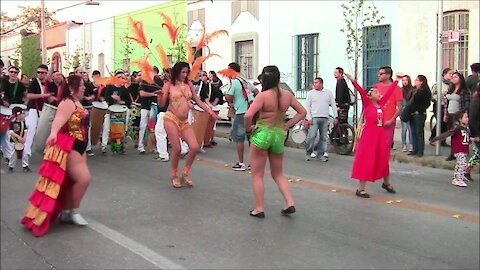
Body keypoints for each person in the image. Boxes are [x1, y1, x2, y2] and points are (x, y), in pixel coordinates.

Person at [21, 74, 91, 237]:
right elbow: (58, 120)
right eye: (81, 85)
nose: (84, 88)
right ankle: (73, 211)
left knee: (72, 180)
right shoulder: (67, 103)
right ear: (74, 87)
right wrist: (53, 133)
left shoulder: (76, 102)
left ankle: (67, 211)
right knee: (83, 178)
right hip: (70, 144)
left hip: (80, 145)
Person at [245, 66, 306, 217]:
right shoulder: (287, 95)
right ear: (278, 79)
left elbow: (248, 115)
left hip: (262, 134)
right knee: (278, 173)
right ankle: (289, 202)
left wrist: (249, 129)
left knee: (257, 174)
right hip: (278, 135)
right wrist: (286, 125)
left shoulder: (263, 96)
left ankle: (259, 208)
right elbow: (302, 112)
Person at [159, 62, 219, 188]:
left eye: (187, 72)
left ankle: (185, 174)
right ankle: (174, 175)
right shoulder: (168, 85)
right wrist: (160, 96)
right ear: (177, 72)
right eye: (182, 72)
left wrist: (210, 111)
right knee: (177, 149)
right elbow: (161, 104)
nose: (185, 75)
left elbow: (198, 101)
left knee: (194, 147)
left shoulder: (188, 84)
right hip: (171, 118)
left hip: (185, 121)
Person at [345, 73, 398, 198]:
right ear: (370, 96)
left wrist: (396, 81)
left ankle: (386, 183)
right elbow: (361, 91)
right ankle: (361, 189)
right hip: (369, 136)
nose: (379, 94)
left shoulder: (381, 103)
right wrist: (353, 80)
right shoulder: (367, 104)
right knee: (367, 160)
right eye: (376, 93)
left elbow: (390, 92)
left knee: (383, 159)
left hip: (380, 135)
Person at [224, 62, 259, 171]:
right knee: (250, 138)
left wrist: (228, 99)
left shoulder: (234, 82)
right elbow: (257, 92)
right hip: (251, 111)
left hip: (240, 113)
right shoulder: (245, 81)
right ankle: (253, 163)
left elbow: (229, 97)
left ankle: (241, 163)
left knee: (239, 139)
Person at [431, 110, 472, 187]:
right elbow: (448, 133)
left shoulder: (465, 128)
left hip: (464, 149)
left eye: (467, 117)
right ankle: (457, 179)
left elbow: (467, 137)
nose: (467, 119)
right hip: (458, 149)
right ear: (460, 119)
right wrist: (436, 139)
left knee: (460, 164)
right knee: (462, 164)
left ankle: (459, 176)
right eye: (465, 117)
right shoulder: (457, 128)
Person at [304, 77, 337, 161]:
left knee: (323, 137)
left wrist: (335, 116)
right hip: (314, 117)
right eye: (314, 83)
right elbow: (307, 105)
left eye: (316, 82)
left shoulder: (328, 93)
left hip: (325, 117)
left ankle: (320, 154)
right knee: (312, 136)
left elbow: (333, 105)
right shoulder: (311, 93)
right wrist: (309, 117)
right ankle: (309, 152)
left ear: (321, 83)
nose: (315, 84)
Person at [100, 70, 130, 154]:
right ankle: (104, 145)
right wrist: (112, 97)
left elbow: (129, 102)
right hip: (110, 109)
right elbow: (105, 97)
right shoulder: (109, 87)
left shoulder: (124, 89)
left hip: (121, 110)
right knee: (106, 128)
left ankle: (120, 146)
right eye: (119, 77)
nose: (120, 79)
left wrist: (121, 102)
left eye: (122, 77)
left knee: (121, 129)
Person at [25, 64, 51, 158]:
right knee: (31, 129)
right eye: (38, 72)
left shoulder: (49, 83)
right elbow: (29, 95)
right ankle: (26, 151)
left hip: (44, 109)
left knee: (45, 130)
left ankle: (45, 150)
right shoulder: (34, 82)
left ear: (46, 74)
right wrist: (42, 96)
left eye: (43, 73)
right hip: (33, 108)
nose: (40, 74)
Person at [374, 66, 403, 151]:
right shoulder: (376, 87)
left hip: (388, 122)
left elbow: (399, 107)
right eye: (378, 73)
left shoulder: (396, 88)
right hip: (376, 122)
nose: (378, 75)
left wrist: (391, 120)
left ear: (388, 75)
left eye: (381, 74)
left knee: (385, 148)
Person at [445, 72, 469, 161]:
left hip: (458, 115)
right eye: (453, 77)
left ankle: (461, 153)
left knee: (459, 135)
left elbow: (466, 104)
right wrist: (445, 114)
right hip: (450, 114)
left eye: (456, 77)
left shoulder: (464, 91)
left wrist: (462, 115)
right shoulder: (451, 89)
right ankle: (453, 153)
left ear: (460, 79)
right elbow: (447, 103)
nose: (453, 78)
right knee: (452, 135)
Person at [408, 75, 431, 157]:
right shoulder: (414, 89)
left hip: (419, 113)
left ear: (421, 81)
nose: (415, 81)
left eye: (417, 80)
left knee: (419, 132)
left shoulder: (425, 90)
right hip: (411, 112)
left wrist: (420, 110)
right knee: (413, 132)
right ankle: (415, 150)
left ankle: (420, 151)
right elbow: (408, 99)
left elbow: (427, 103)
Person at [199, 71, 222, 148]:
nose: (202, 77)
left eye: (204, 75)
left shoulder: (210, 86)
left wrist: (212, 105)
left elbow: (218, 94)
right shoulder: (198, 85)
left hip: (207, 107)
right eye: (200, 75)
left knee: (211, 125)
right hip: (199, 108)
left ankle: (208, 140)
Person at [429, 68, 453, 144]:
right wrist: (440, 98)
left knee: (446, 123)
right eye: (449, 73)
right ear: (444, 74)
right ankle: (433, 138)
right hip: (439, 105)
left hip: (448, 105)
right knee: (440, 122)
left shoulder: (451, 84)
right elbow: (432, 95)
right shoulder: (438, 84)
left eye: (452, 74)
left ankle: (442, 140)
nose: (451, 75)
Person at [7, 106, 29, 172]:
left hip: (22, 141)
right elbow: (11, 131)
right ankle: (11, 166)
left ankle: (25, 166)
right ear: (17, 115)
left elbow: (25, 130)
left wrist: (24, 137)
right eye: (22, 114)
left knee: (25, 153)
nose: (23, 115)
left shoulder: (23, 122)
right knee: (13, 154)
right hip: (14, 141)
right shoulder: (13, 122)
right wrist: (18, 137)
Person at [466, 82, 480, 180]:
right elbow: (472, 119)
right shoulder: (476, 102)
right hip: (477, 131)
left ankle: (467, 170)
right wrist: (476, 134)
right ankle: (467, 170)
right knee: (477, 153)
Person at [400, 75, 415, 152]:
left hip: (410, 111)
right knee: (404, 129)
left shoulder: (412, 89)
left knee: (410, 129)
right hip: (403, 111)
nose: (405, 82)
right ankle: (404, 145)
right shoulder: (401, 90)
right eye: (403, 80)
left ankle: (411, 145)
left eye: (406, 80)